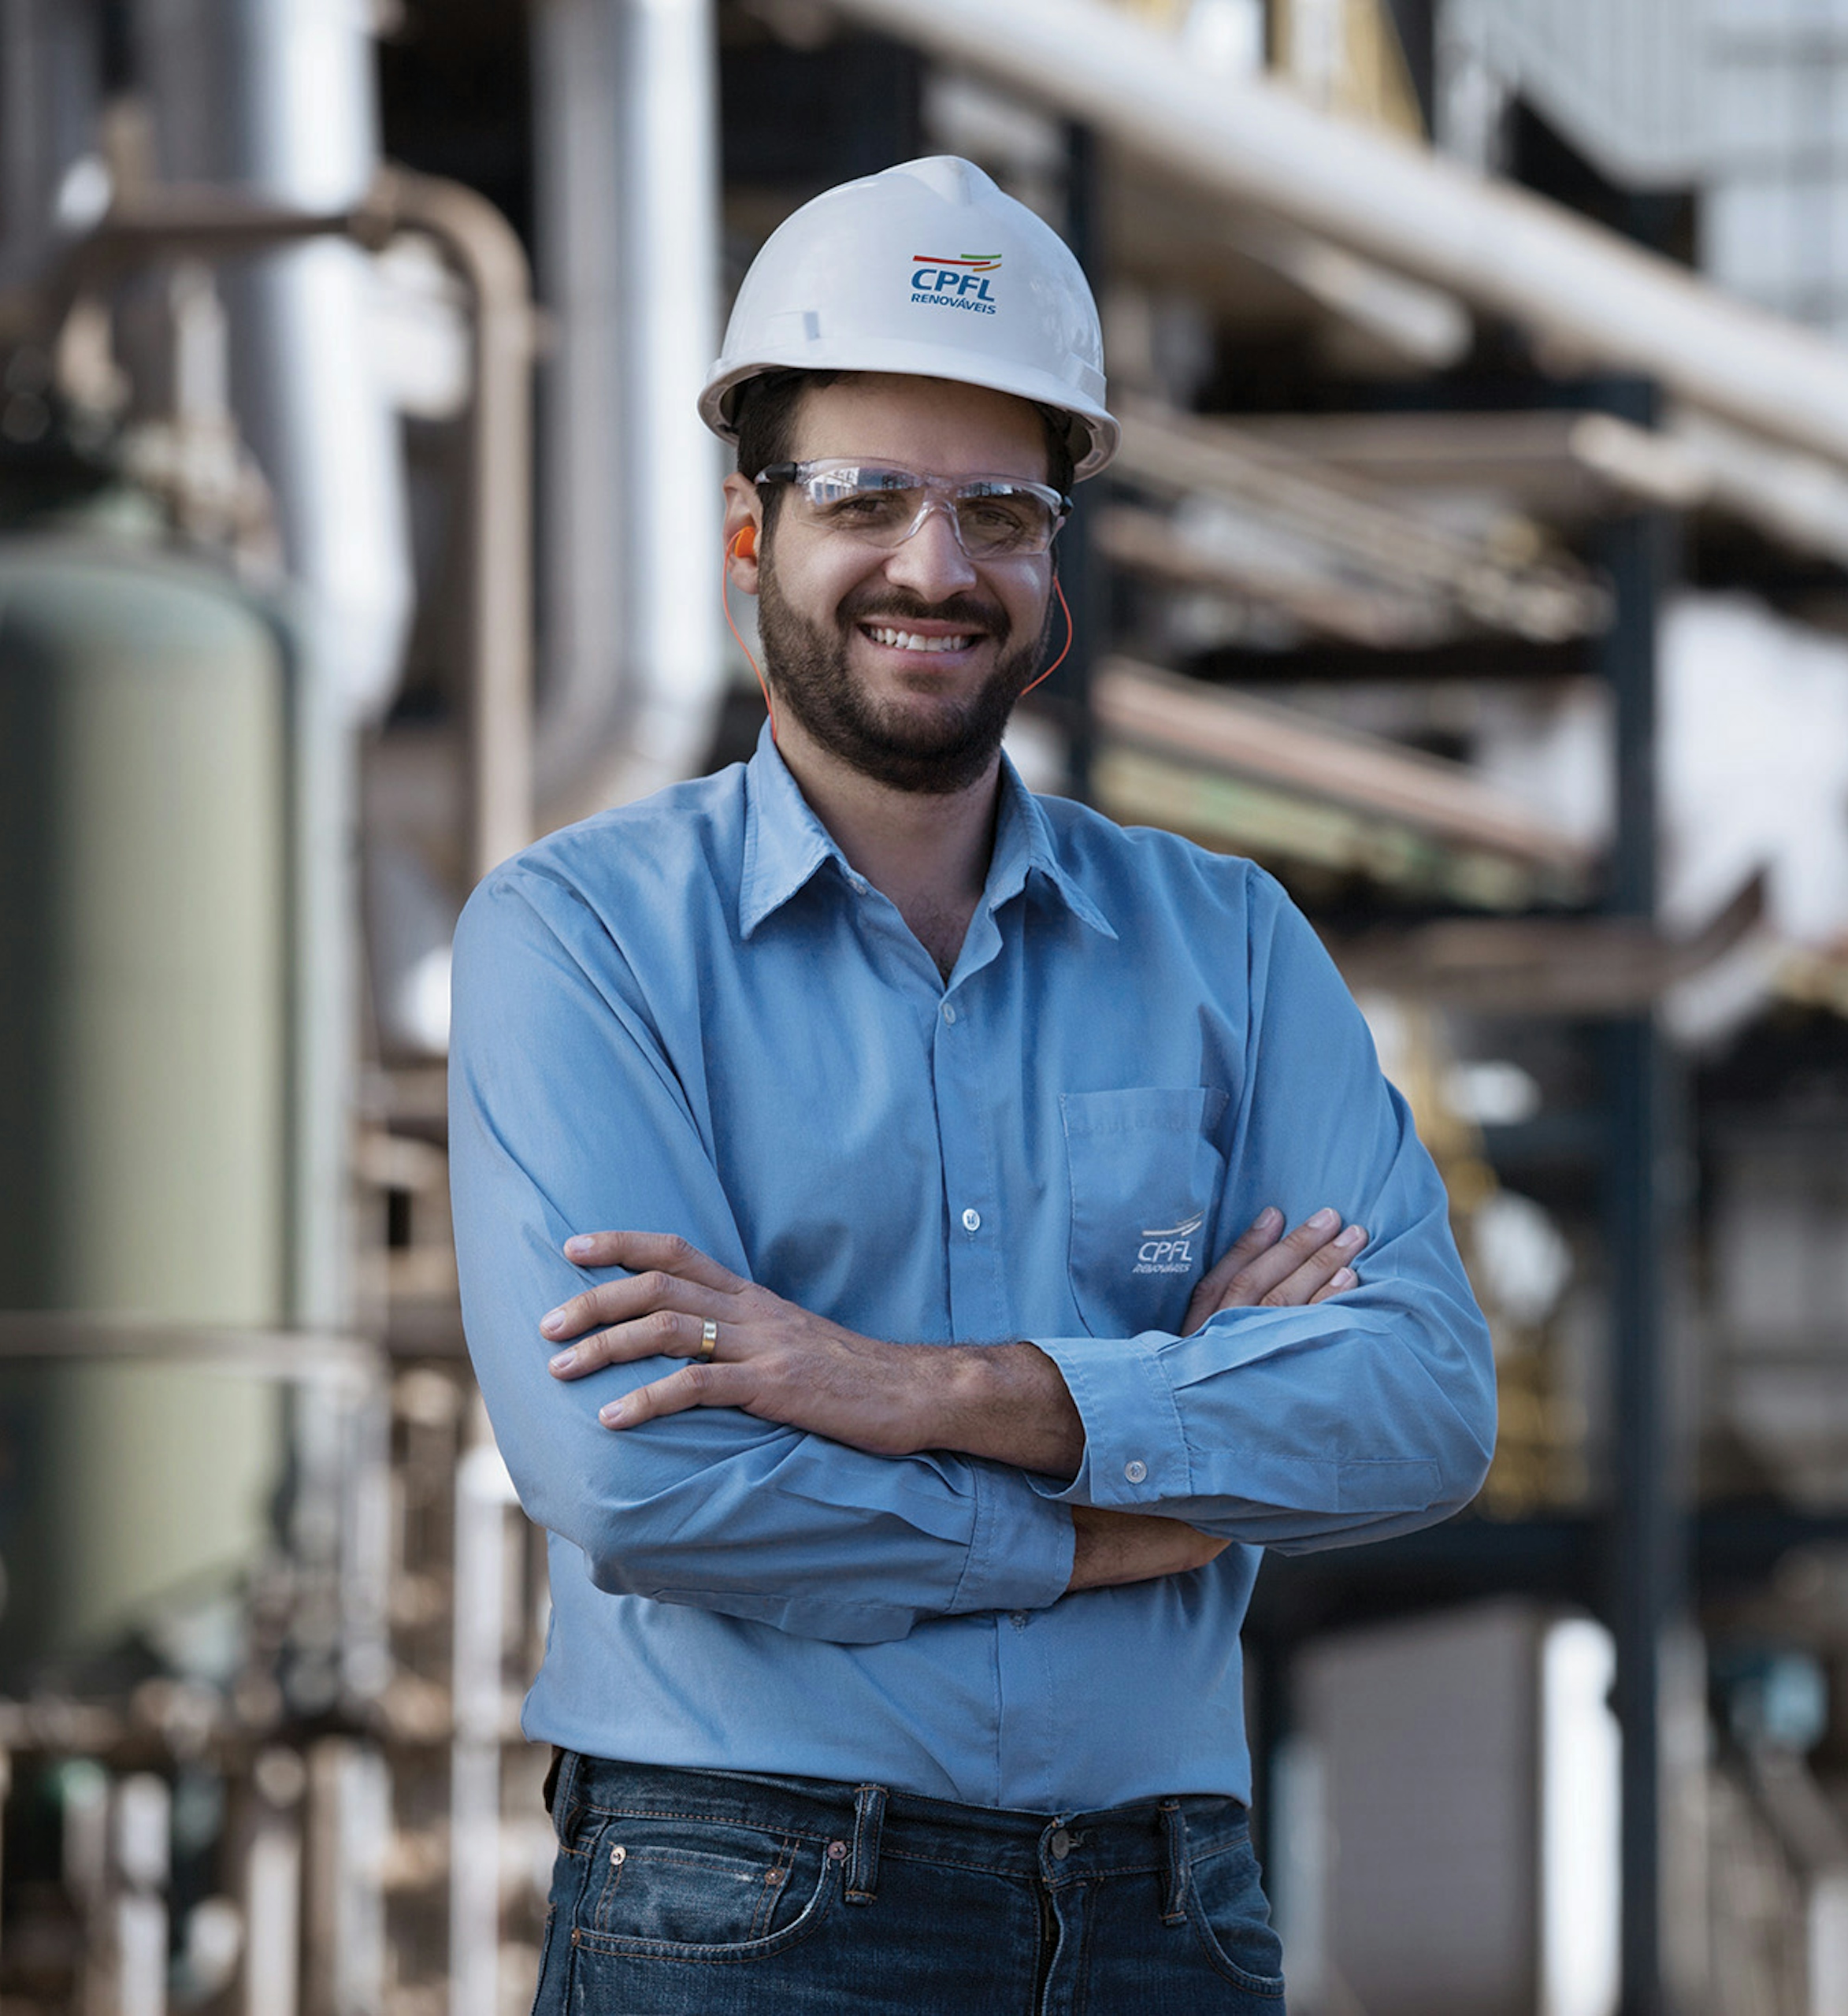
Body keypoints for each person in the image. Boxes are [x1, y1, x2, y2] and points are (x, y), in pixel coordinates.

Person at [447, 157, 1497, 2013]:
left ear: (1051, 560)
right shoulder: (581, 937)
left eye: (997, 511)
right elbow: (645, 1475)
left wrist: (914, 1387)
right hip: (746, 1907)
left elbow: (1416, 1402)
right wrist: (1138, 1501)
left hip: (1168, 1911)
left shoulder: (1229, 945)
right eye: (865, 498)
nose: (934, 567)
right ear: (750, 534)